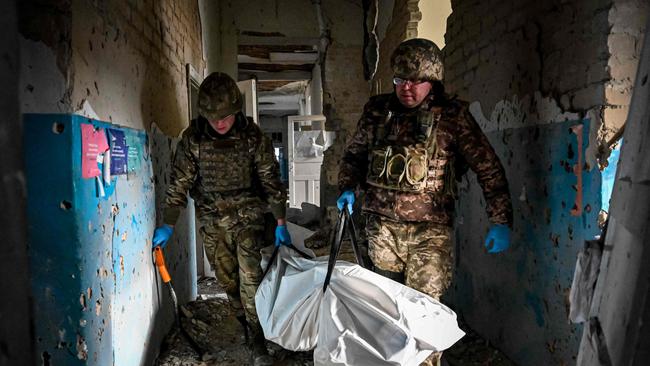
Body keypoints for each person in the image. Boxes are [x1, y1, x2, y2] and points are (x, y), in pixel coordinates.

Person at [336, 38, 513, 366]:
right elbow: (355, 154)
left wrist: (500, 219)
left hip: (429, 234)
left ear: (433, 81)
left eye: (417, 81)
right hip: (381, 231)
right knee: (387, 311)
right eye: (401, 80)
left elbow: (487, 165)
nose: (407, 88)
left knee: (424, 313)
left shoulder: (452, 116)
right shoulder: (378, 111)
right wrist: (347, 187)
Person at [151, 72, 290, 366]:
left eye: (225, 116)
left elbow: (270, 180)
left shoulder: (253, 137)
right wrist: (168, 222)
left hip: (249, 218)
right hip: (212, 221)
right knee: (229, 283)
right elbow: (179, 183)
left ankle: (257, 338)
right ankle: (244, 324)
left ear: (236, 109)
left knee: (250, 278)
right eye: (214, 118)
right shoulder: (193, 140)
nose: (220, 123)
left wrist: (280, 221)